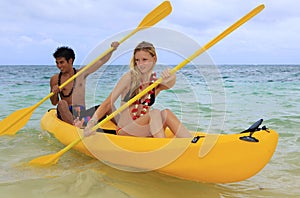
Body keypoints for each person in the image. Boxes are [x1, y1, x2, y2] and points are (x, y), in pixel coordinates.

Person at [84, 41, 191, 138]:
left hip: (145, 130)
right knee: (155, 113)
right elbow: (108, 103)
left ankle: (189, 142)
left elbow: (169, 84)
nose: (140, 64)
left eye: (144, 60)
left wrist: (171, 75)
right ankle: (162, 149)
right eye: (137, 60)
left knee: (166, 112)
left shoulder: (154, 83)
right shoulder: (129, 78)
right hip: (125, 131)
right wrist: (91, 123)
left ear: (154, 59)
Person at [50, 41, 119, 127]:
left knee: (109, 106)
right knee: (61, 103)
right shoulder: (55, 79)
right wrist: (55, 93)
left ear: (70, 61)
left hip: (83, 115)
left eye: (61, 62)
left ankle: (123, 127)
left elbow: (100, 61)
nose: (59, 66)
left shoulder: (81, 73)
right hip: (67, 115)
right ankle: (75, 126)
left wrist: (112, 50)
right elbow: (54, 102)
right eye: (57, 63)